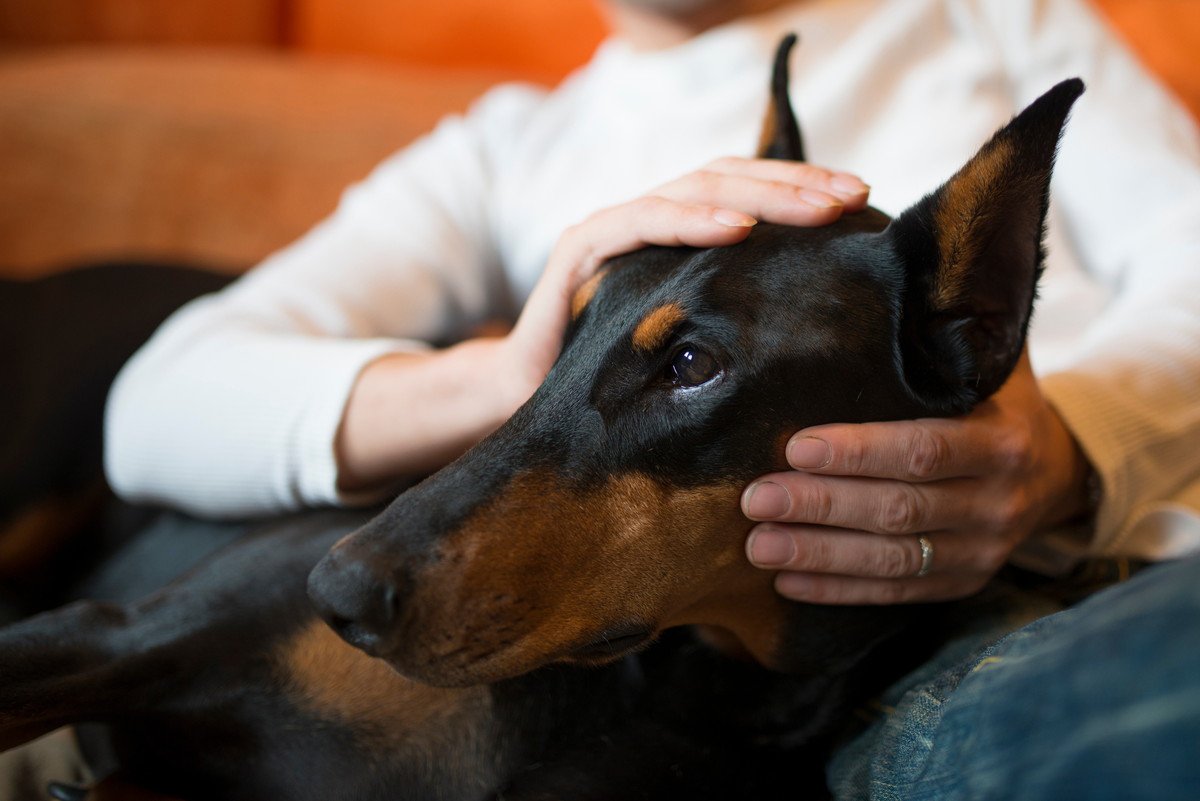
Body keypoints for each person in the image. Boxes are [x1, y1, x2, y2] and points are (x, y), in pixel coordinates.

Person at [102, 0, 1200, 797]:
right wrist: (523, 364)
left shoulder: (995, 21)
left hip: (1092, 582)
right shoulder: (505, 147)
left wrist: (1070, 448)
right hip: (792, 691)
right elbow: (156, 402)